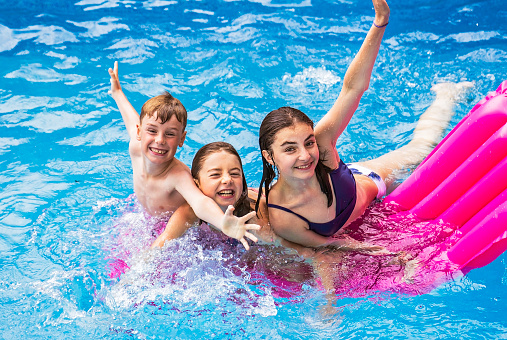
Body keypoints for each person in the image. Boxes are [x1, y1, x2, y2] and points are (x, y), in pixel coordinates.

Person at [255, 0, 472, 249]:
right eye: (290, 148)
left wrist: (380, 22)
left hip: (374, 182)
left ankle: (446, 95)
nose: (306, 155)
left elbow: (352, 89)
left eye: (309, 142)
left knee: (425, 148)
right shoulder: (283, 216)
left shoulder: (323, 149)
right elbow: (332, 246)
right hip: (366, 217)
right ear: (269, 156)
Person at [108, 63, 260, 249]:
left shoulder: (178, 175)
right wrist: (117, 93)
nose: (160, 140)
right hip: (152, 219)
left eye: (170, 134)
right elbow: (132, 120)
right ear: (140, 132)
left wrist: (222, 223)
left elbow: (200, 202)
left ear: (182, 139)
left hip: (183, 226)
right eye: (152, 131)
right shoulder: (136, 148)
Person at [151, 141, 283, 249]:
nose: (227, 179)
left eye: (235, 173)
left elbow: (280, 248)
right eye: (215, 174)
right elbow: (159, 246)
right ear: (197, 184)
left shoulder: (254, 212)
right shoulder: (189, 212)